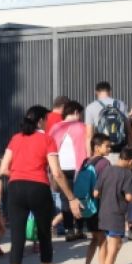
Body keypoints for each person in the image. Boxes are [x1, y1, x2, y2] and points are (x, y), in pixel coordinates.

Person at [0, 105, 82, 264]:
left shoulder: (16, 138)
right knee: (45, 237)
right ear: (40, 121)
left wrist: (21, 175)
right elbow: (57, 173)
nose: (48, 122)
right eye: (46, 119)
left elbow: (3, 168)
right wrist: (71, 198)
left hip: (16, 188)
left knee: (17, 238)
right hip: (39, 188)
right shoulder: (47, 139)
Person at [93, 148, 132, 264]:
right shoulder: (128, 174)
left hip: (103, 212)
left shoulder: (106, 170)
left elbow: (96, 193)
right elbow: (129, 197)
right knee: (114, 247)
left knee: (107, 245)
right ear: (131, 161)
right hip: (116, 214)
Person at [49, 100, 88, 241]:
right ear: (76, 112)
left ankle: (68, 230)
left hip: (59, 168)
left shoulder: (54, 128)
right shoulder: (82, 127)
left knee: (66, 199)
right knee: (80, 198)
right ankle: (79, 229)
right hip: (79, 167)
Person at [77, 133, 112, 264]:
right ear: (97, 148)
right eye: (107, 146)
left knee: (95, 238)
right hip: (99, 206)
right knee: (102, 240)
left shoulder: (85, 162)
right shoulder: (105, 163)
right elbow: (107, 185)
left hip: (88, 206)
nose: (110, 148)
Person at [84, 82, 132, 161]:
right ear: (110, 91)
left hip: (101, 152)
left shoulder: (90, 107)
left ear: (96, 92)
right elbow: (128, 131)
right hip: (120, 151)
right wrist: (131, 151)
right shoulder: (121, 104)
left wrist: (90, 156)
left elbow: (89, 135)